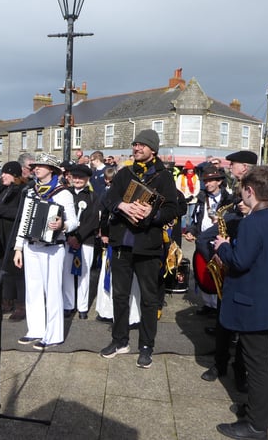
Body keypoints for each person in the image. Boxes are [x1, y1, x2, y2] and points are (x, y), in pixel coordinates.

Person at [213, 165, 268, 440]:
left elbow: (239, 261)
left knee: (255, 365)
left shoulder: (251, 223)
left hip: (252, 304)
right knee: (260, 363)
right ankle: (262, 412)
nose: (241, 194)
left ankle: (256, 426)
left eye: (242, 189)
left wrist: (222, 245)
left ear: (250, 191)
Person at [98, 129, 178, 368]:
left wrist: (151, 214)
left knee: (149, 299)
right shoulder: (124, 173)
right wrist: (122, 205)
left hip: (149, 245)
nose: (137, 148)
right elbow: (108, 200)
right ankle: (120, 340)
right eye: (135, 144)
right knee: (120, 296)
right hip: (122, 244)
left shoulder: (164, 177)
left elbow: (174, 208)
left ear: (153, 149)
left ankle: (146, 346)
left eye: (142, 145)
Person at [199, 150, 257, 391]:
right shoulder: (237, 185)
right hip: (231, 243)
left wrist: (249, 211)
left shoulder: (259, 183)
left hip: (247, 251)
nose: (228, 167)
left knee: (244, 328)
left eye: (232, 164)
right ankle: (220, 363)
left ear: (244, 166)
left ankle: (240, 371)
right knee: (223, 319)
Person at [13, 153, 78, 350]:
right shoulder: (31, 191)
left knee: (52, 291)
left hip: (53, 247)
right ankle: (35, 330)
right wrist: (18, 248)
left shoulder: (62, 193)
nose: (36, 168)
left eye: (41, 165)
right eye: (35, 166)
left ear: (52, 169)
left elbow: (74, 221)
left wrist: (62, 224)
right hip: (31, 246)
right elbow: (24, 221)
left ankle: (54, 334)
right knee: (32, 290)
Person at [184, 165, 234, 315]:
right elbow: (195, 220)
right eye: (205, 181)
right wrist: (191, 232)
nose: (207, 184)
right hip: (202, 241)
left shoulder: (229, 200)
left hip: (219, 241)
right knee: (203, 273)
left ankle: (219, 306)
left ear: (219, 181)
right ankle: (208, 305)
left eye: (211, 180)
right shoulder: (201, 198)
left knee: (219, 275)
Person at [0, 161, 27, 320]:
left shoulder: (23, 190)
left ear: (14, 175)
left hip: (15, 235)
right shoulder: (4, 189)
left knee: (18, 272)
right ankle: (6, 301)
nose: (2, 175)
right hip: (1, 235)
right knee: (4, 269)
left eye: (5, 173)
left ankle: (21, 305)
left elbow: (20, 212)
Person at [62, 164, 100, 320]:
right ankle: (68, 305)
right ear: (70, 178)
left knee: (84, 274)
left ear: (87, 179)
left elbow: (93, 221)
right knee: (67, 274)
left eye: (81, 178)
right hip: (66, 240)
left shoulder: (93, 196)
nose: (77, 180)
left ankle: (83, 307)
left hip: (86, 240)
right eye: (75, 177)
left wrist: (78, 237)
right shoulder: (65, 194)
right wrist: (69, 236)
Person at [176, 160, 199, 232]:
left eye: (192, 169)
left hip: (193, 199)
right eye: (189, 169)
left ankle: (190, 229)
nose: (191, 170)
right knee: (183, 215)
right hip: (183, 199)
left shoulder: (195, 177)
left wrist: (192, 196)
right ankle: (183, 229)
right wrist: (183, 197)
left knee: (191, 215)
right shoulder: (181, 177)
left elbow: (197, 188)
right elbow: (178, 187)